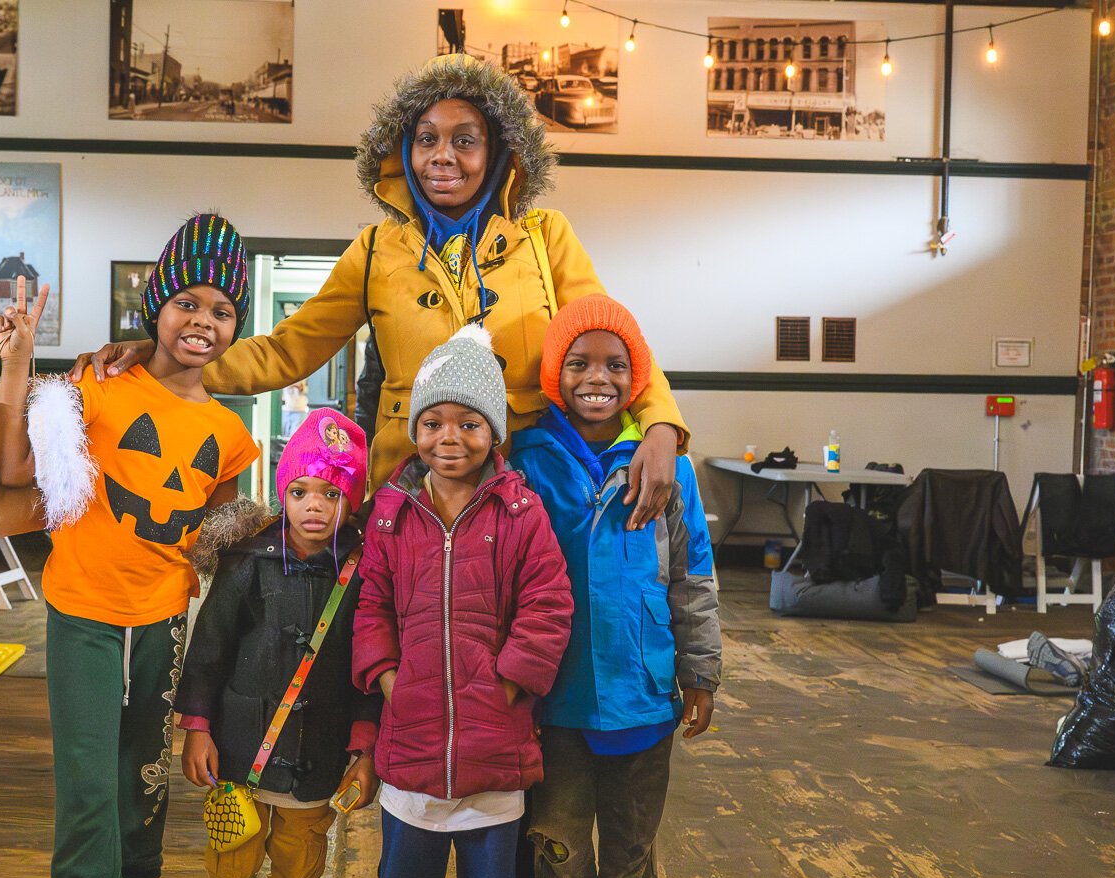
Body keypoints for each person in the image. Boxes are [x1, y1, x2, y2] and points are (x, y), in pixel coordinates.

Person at [71, 52, 688, 528]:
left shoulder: (545, 236)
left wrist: (660, 426)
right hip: (408, 483)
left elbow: (610, 341)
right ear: (403, 150)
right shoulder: (374, 250)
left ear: (498, 152)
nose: (443, 156)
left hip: (528, 474)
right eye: (426, 139)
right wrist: (160, 361)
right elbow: (287, 351)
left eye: (464, 139)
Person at [0, 214, 260, 878]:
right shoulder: (96, 387)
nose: (203, 321)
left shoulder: (231, 434)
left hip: (164, 623)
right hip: (83, 612)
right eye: (187, 300)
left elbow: (212, 531)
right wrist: (20, 365)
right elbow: (10, 473)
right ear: (157, 303)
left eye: (222, 309)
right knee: (86, 791)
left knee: (143, 786)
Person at [351, 325, 574, 878]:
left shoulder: (519, 512)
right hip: (410, 737)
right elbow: (372, 602)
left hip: (495, 739)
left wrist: (511, 678)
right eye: (434, 422)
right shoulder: (391, 513)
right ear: (415, 429)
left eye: (470, 422)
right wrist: (386, 674)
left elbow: (549, 602)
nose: (451, 437)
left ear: (494, 431)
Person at [506, 295, 722, 878]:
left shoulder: (669, 467)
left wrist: (701, 668)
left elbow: (693, 576)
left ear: (637, 377)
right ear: (553, 371)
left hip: (643, 696)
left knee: (630, 849)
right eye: (579, 361)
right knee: (558, 847)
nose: (597, 376)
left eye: (615, 363)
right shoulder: (526, 461)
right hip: (554, 701)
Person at [174, 409, 380, 878]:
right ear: (281, 493)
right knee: (233, 852)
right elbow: (208, 649)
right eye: (299, 491)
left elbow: (374, 663)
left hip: (320, 751)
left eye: (331, 492)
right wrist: (198, 728)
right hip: (241, 745)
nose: (314, 506)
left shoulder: (367, 571)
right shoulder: (246, 562)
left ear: (352, 497)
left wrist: (365, 747)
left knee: (301, 858)